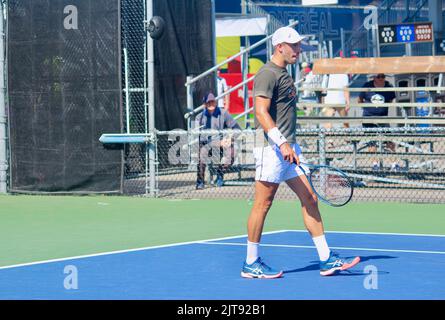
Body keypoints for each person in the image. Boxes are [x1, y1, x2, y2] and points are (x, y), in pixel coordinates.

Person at [242, 26, 360, 279]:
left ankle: (326, 259)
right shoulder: (266, 74)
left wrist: (289, 145)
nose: (298, 50)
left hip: (289, 148)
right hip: (270, 149)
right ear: (279, 47)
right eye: (293, 45)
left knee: (310, 198)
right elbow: (260, 113)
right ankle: (251, 262)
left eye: (298, 45)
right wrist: (281, 143)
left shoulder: (284, 73)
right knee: (263, 204)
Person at [195, 93, 240, 189]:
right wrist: (217, 142)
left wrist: (230, 139)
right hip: (206, 145)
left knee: (233, 151)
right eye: (208, 102)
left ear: (215, 102)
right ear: (204, 104)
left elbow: (237, 129)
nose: (211, 104)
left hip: (222, 145)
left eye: (212, 101)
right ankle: (200, 181)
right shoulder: (199, 117)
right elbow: (201, 137)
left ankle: (220, 173)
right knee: (202, 154)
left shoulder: (223, 113)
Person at [358, 73, 398, 170]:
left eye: (383, 76)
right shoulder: (367, 85)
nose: (381, 79)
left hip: (383, 117)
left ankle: (394, 164)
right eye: (378, 77)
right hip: (369, 117)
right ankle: (375, 164)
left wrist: (382, 108)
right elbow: (359, 100)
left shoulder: (389, 86)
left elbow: (391, 100)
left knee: (389, 140)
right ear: (374, 77)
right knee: (372, 142)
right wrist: (368, 109)